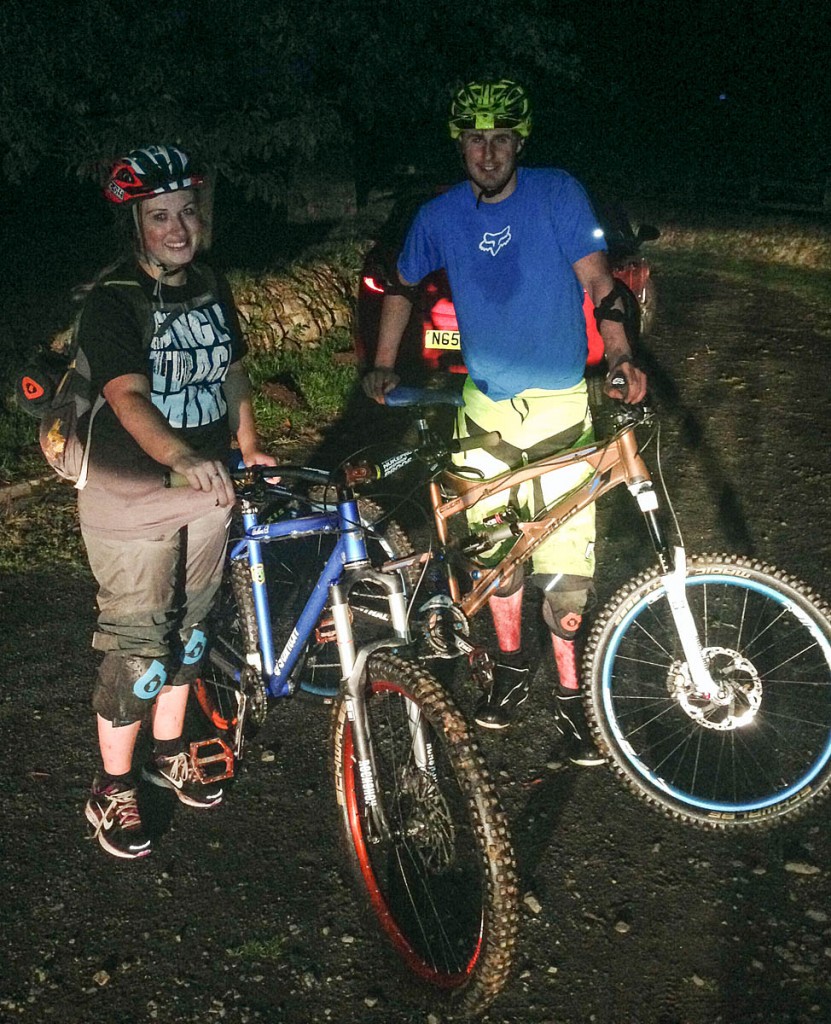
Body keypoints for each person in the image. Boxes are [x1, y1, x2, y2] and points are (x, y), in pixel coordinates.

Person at [364, 80, 647, 765]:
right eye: (473, 139)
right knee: (495, 555)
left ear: (519, 141)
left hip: (559, 407)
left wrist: (619, 358)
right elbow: (400, 284)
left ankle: (575, 702)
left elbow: (600, 286)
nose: (486, 153)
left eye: (499, 139)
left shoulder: (555, 193)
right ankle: (512, 672)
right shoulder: (439, 214)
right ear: (458, 144)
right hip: (484, 410)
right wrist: (381, 363)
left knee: (565, 571)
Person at [79, 145, 275, 858]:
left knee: (190, 633)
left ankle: (169, 752)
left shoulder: (211, 286)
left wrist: (246, 446)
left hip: (207, 487)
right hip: (131, 492)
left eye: (187, 211)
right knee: (141, 651)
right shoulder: (112, 301)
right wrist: (184, 457)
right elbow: (127, 396)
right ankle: (112, 784)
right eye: (160, 215)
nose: (177, 227)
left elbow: (233, 371)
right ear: (136, 224)